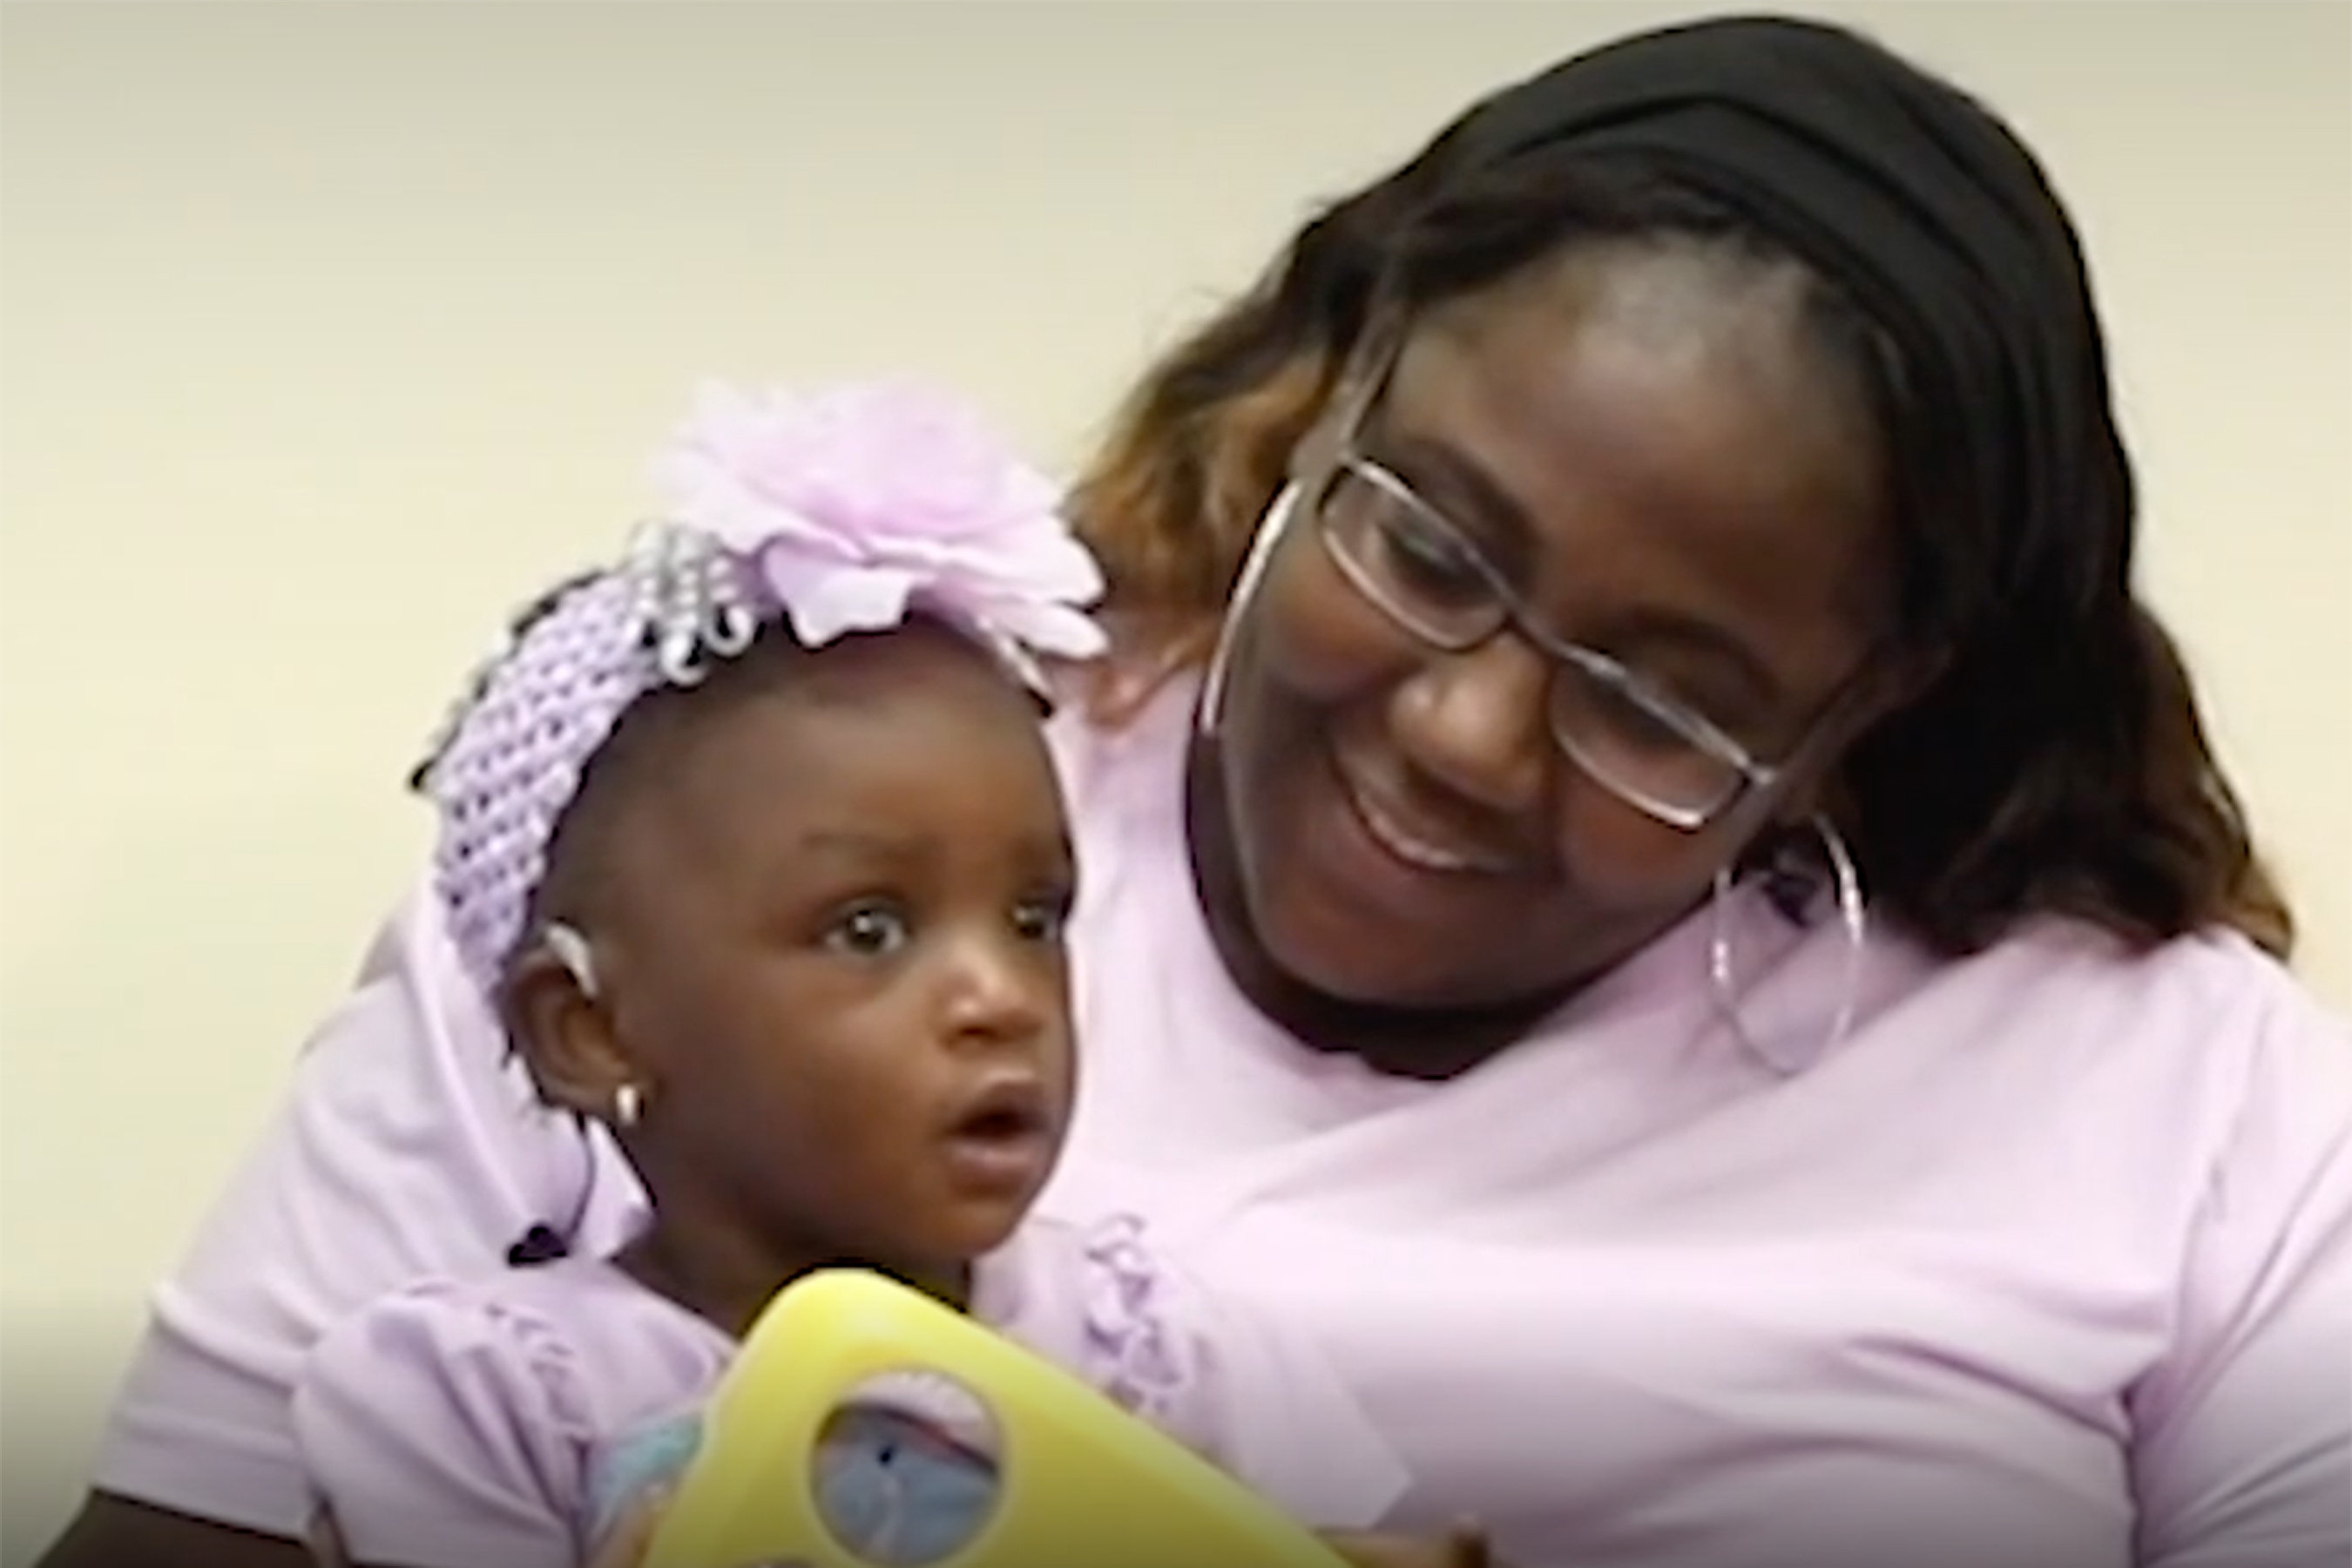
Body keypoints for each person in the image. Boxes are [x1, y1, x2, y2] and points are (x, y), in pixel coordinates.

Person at [39, 15, 2350, 1568]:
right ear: (1315, 387)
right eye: (1425, 544)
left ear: (1868, 708)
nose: (1462, 736)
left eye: (1666, 697)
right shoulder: (725, 838)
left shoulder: (2191, 1106)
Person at [275, 378, 1423, 1568]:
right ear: (589, 1033)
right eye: (870, 929)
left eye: (1036, 916)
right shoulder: (479, 1403)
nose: (1001, 999)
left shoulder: (1173, 1351)